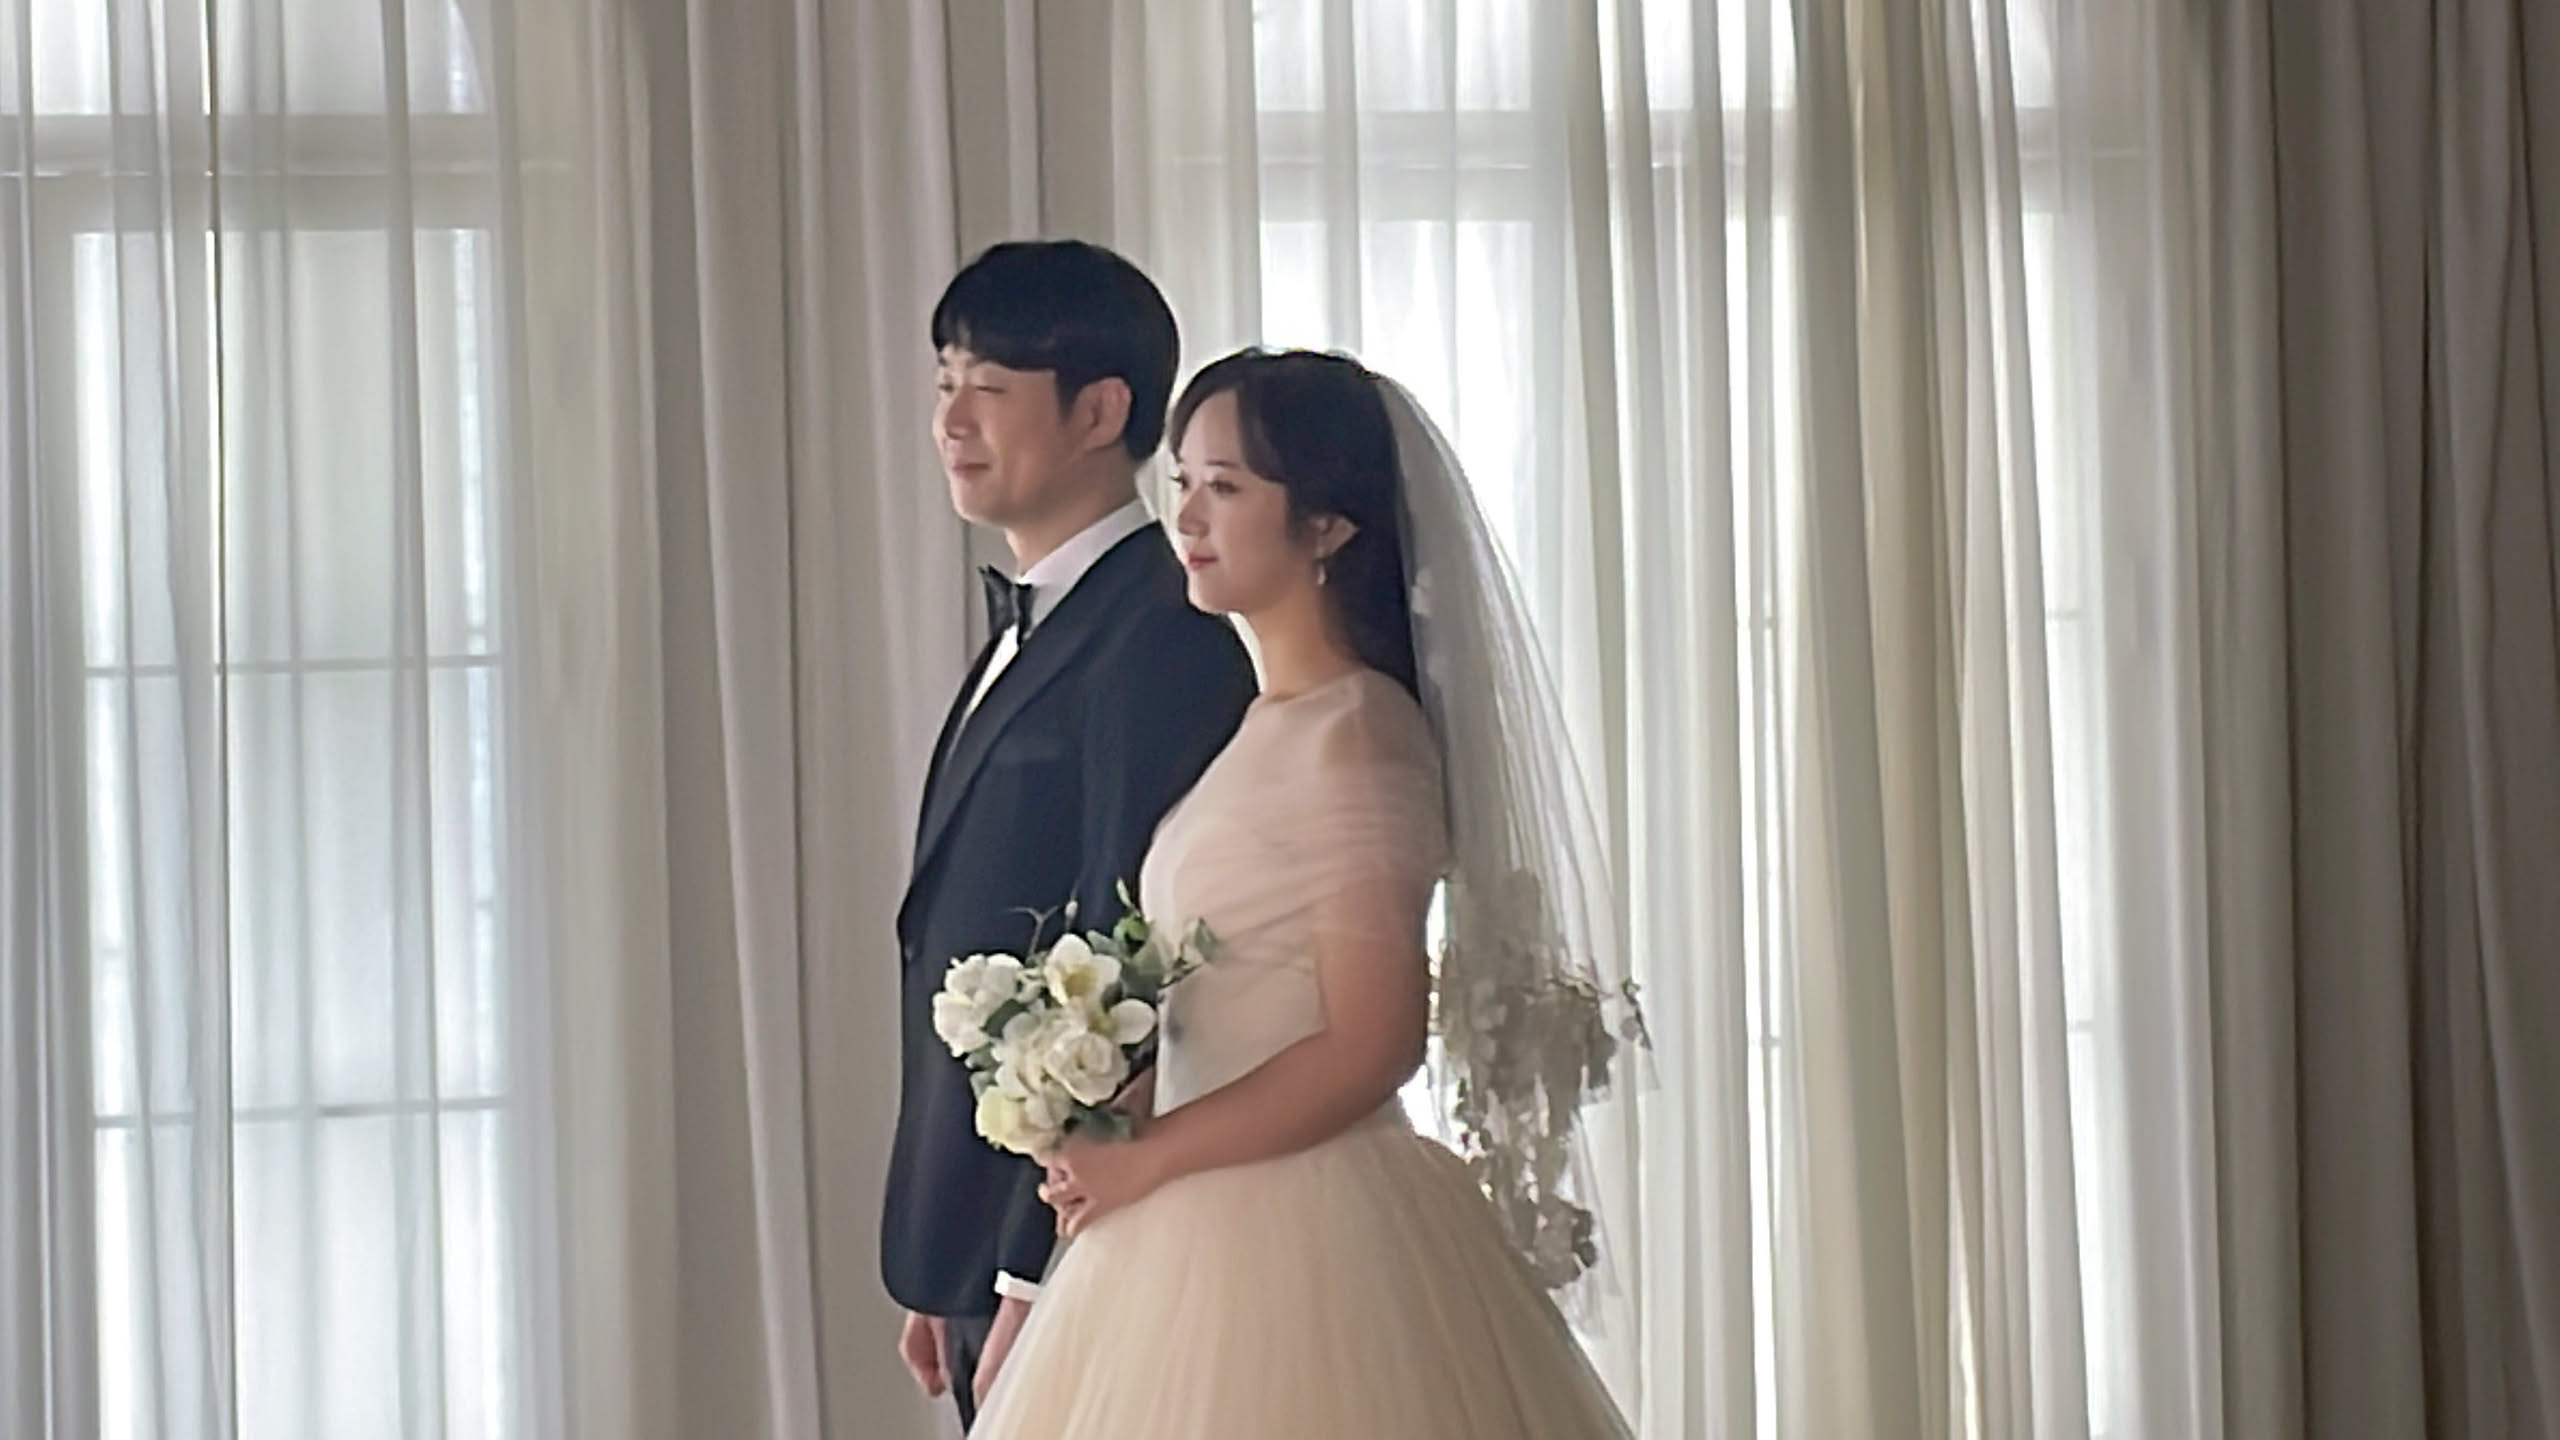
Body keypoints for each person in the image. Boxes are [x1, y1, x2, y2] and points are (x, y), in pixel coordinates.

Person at [968, 348, 1641, 1439]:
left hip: (1307, 1218)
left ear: (1325, 526)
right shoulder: (1269, 723)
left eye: (1227, 487)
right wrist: (1128, 1109)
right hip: (1191, 1205)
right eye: (1183, 481)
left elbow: (1374, 1039)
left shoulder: (1356, 732)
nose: (1188, 516)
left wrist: (1150, 1158)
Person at [880, 241, 1259, 1430]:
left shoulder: (1163, 634)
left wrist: (1026, 1273)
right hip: (976, 1236)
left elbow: (1124, 967)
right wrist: (945, 1264)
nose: (951, 420)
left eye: (989, 388)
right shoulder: (1037, 620)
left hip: (1069, 1243)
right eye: (944, 383)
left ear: (1099, 411)